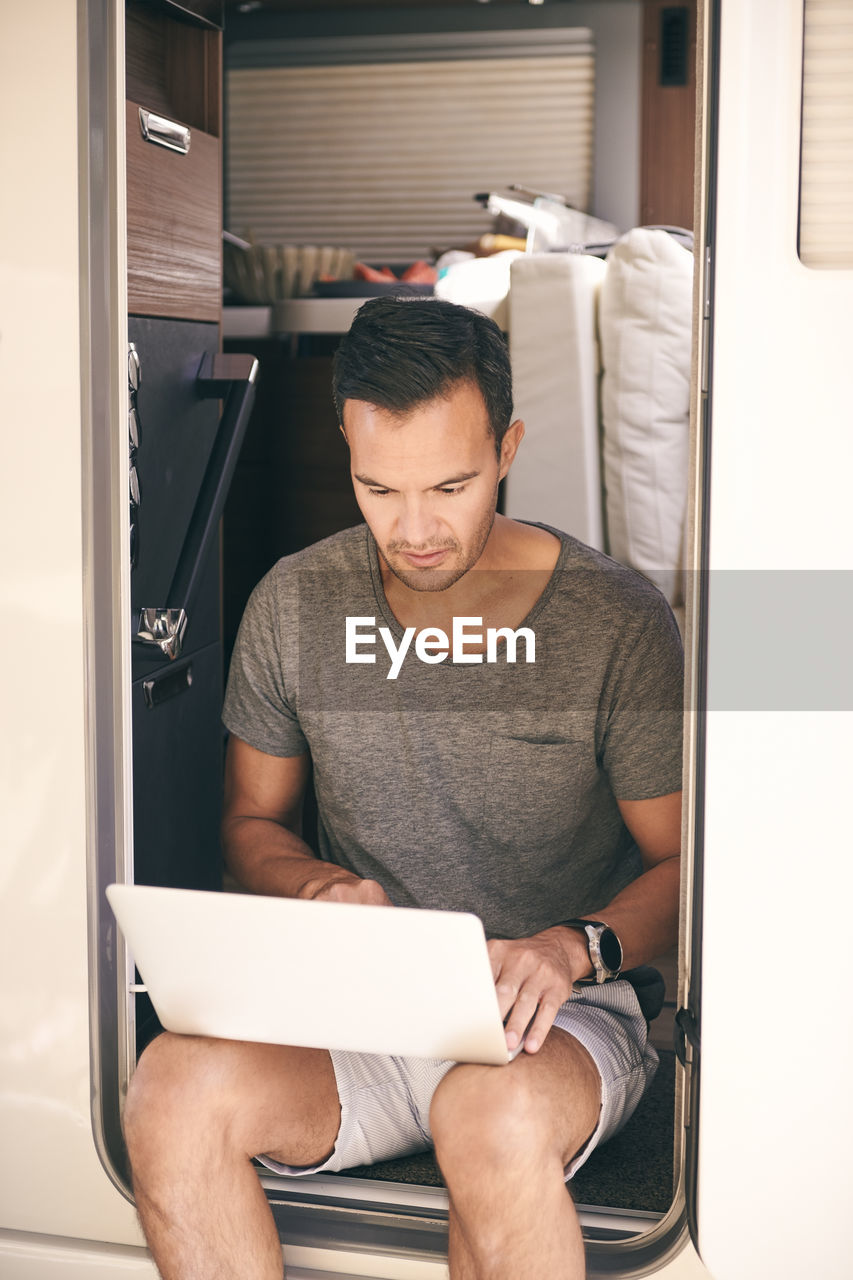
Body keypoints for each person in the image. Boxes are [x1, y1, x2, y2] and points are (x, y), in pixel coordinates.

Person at [123, 296, 683, 1280]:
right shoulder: (294, 601)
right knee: (170, 1083)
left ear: (507, 448)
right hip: (367, 1008)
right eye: (377, 486)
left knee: (485, 1110)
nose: (412, 527)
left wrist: (571, 944)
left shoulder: (615, 622)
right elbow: (250, 821)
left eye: (451, 485)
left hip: (565, 1020)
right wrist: (313, 887)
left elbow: (686, 865)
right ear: (345, 441)